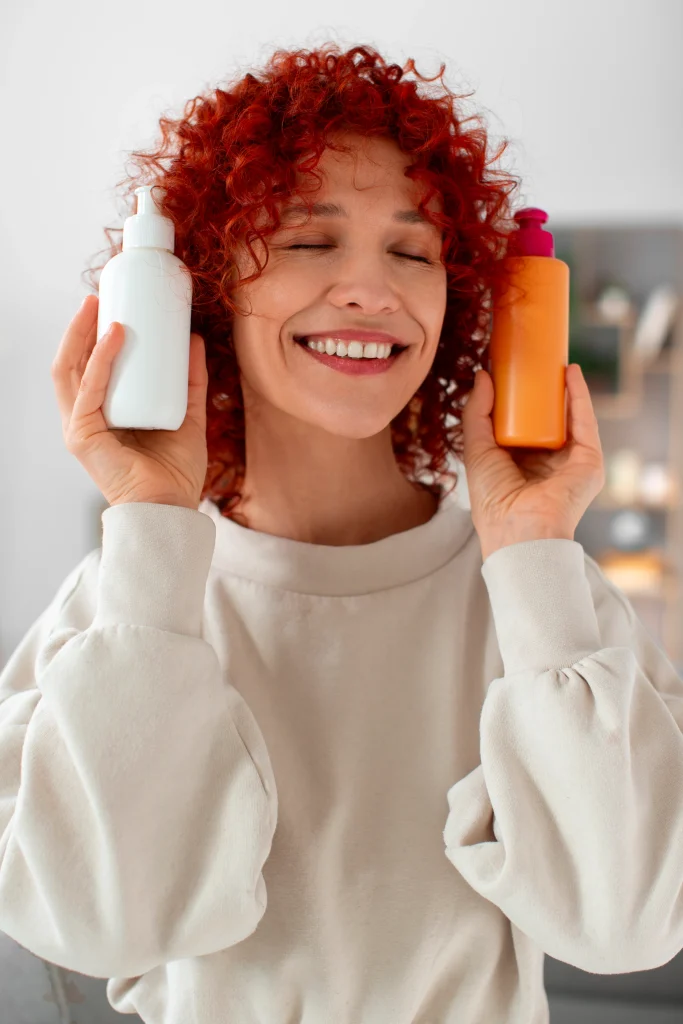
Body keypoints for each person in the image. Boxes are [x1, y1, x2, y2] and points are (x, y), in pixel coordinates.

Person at [1, 42, 682, 1024]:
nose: (372, 288)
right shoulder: (124, 601)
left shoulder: (542, 599)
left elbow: (627, 926)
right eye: (309, 241)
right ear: (207, 290)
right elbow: (102, 925)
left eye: (412, 252)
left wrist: (534, 550)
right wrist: (148, 519)